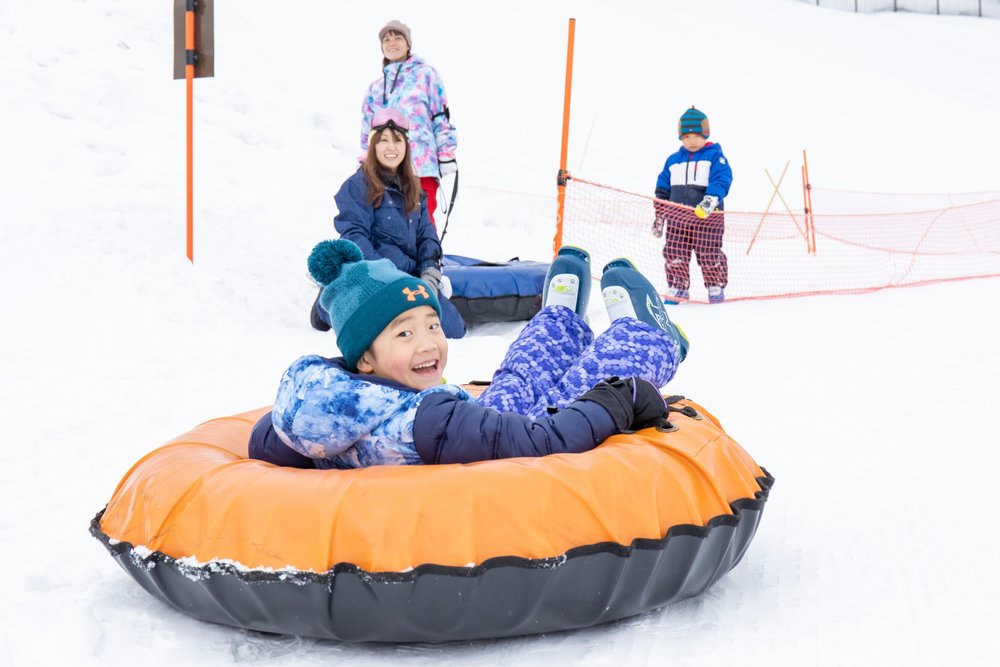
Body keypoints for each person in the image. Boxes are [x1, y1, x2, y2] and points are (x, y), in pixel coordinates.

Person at [250, 241, 690, 469]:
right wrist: (614, 400)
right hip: (471, 447)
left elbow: (265, 440)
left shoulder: (321, 409)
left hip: (453, 430)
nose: (427, 343)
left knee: (514, 385)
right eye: (404, 333)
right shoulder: (432, 421)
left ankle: (560, 320)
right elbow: (545, 442)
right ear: (365, 358)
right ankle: (647, 338)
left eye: (432, 325)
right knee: (569, 398)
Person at [313, 107, 466, 338]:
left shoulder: (416, 191)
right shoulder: (357, 185)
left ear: (406, 146)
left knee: (453, 328)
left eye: (397, 141)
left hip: (409, 277)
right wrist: (384, 273)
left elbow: (428, 236)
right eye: (383, 140)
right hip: (373, 274)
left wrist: (430, 271)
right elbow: (354, 236)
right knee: (381, 328)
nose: (391, 147)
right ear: (373, 146)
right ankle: (329, 299)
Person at [360, 19, 457, 229]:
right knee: (388, 223)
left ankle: (428, 260)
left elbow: (440, 115)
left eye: (397, 37)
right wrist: (365, 159)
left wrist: (446, 154)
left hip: (420, 164)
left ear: (408, 44)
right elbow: (367, 130)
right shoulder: (375, 88)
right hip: (385, 166)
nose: (391, 43)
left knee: (421, 221)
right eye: (386, 39)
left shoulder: (426, 75)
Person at [652, 106, 734, 304]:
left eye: (697, 135)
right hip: (678, 218)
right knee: (675, 251)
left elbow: (722, 179)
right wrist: (660, 215)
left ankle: (715, 286)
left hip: (707, 218)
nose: (692, 141)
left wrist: (710, 200)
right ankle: (678, 287)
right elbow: (663, 188)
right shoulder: (673, 161)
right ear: (681, 137)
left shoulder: (715, 157)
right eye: (687, 136)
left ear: (705, 134)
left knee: (709, 252)